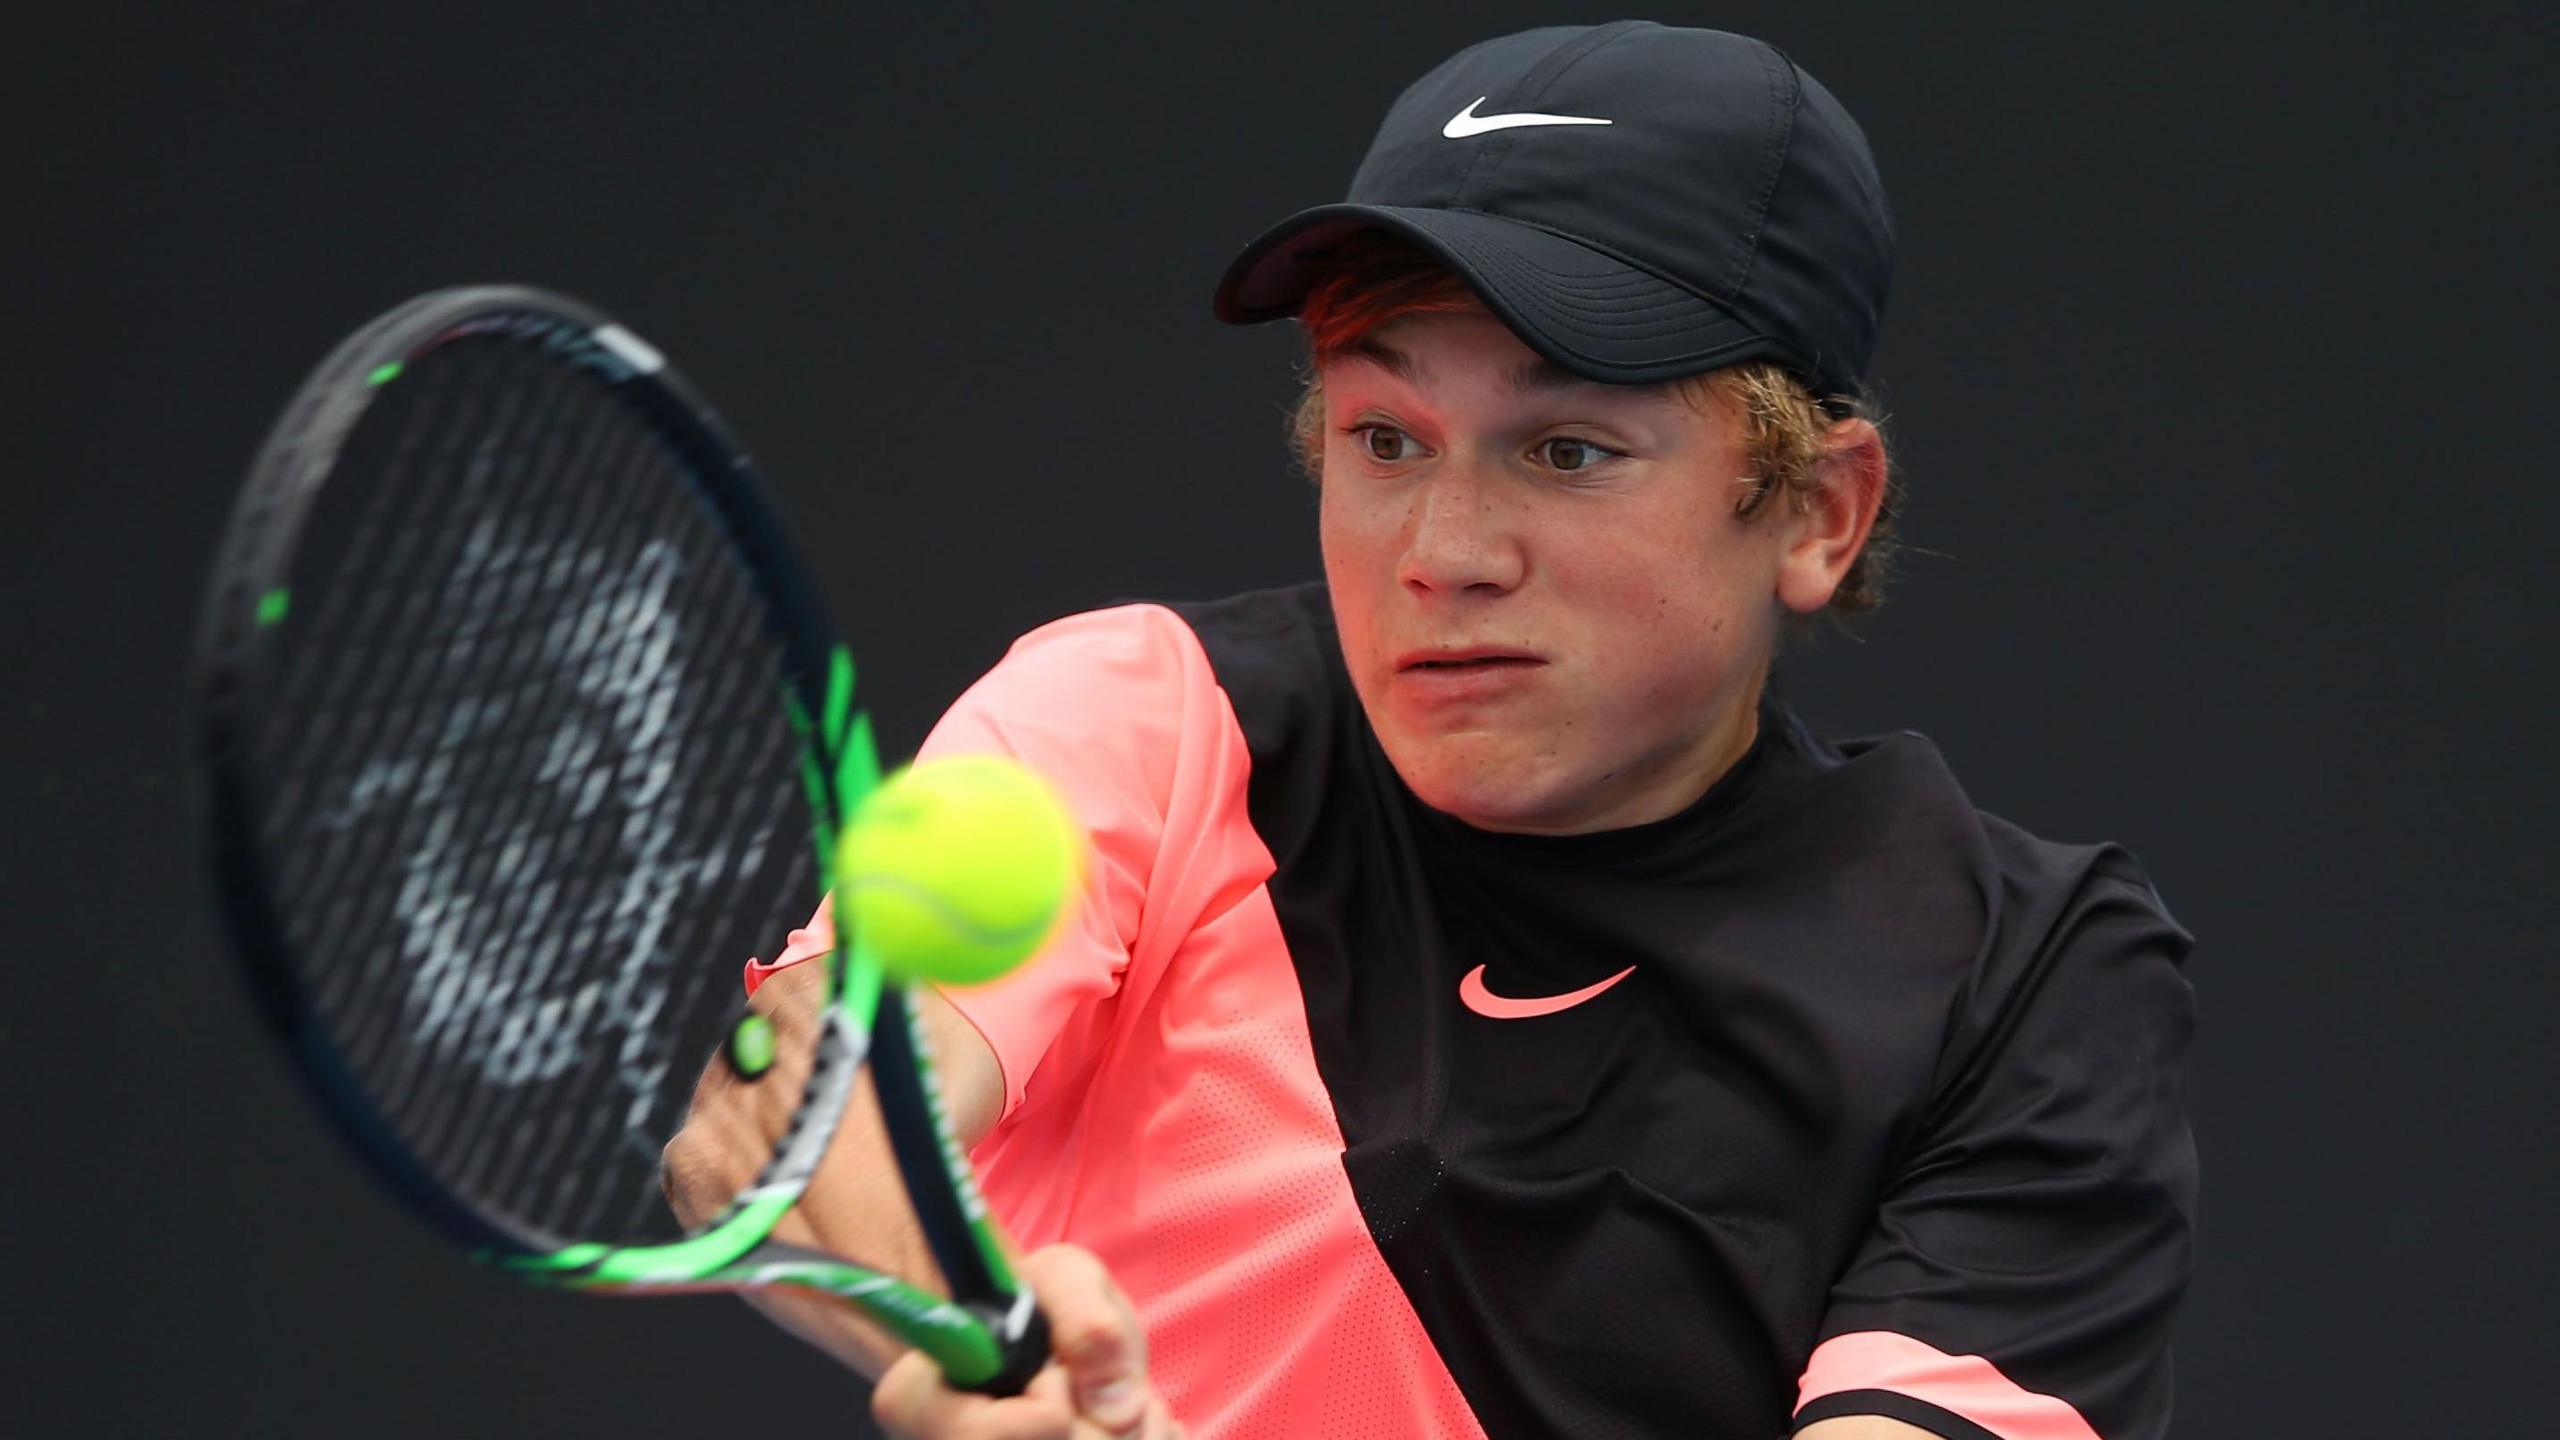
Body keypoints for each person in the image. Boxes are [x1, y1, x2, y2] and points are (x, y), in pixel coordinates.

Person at [664, 21, 2196, 1440]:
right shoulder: (1154, 713)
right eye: (1383, 438)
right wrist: (964, 1339)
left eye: (1569, 448)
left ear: (1817, 511)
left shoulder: (2019, 976)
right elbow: (783, 1113)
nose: (1443, 547)